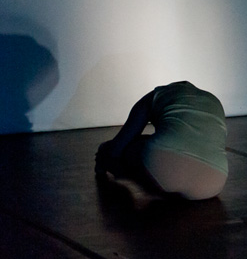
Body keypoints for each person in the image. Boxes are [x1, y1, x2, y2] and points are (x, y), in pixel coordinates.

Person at [95, 81, 228, 201]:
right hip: (215, 181)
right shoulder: (213, 100)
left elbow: (119, 145)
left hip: (164, 166)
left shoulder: (155, 96)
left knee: (128, 148)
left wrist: (103, 154)